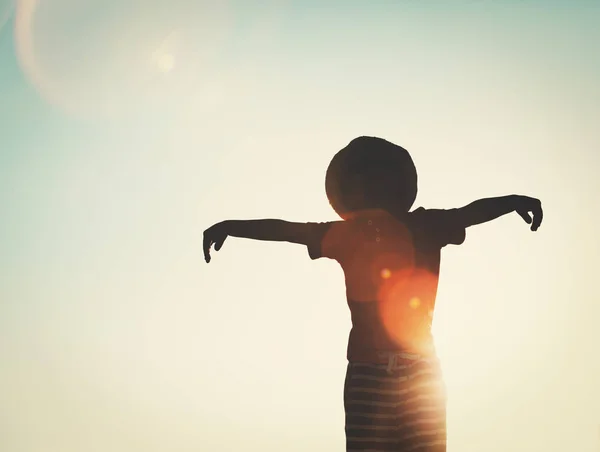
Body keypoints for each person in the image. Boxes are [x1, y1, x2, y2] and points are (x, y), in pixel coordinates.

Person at [203, 136, 543, 451]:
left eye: (375, 179)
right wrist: (232, 227)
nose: (369, 188)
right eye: (361, 181)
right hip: (371, 371)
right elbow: (286, 230)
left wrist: (512, 202)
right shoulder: (349, 233)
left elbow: (472, 212)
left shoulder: (422, 225)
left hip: (417, 370)